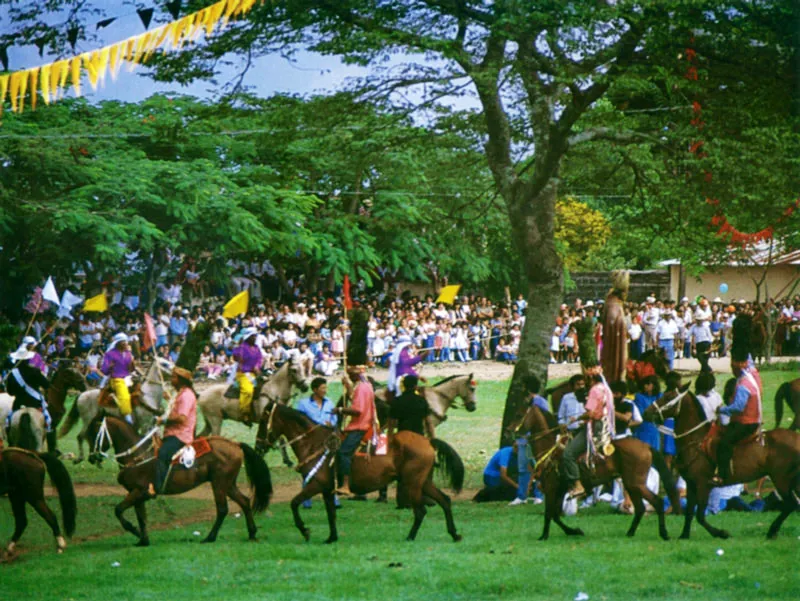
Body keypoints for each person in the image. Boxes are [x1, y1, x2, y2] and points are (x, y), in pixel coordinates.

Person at [713, 315, 762, 485]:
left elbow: (738, 407)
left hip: (747, 420)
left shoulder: (743, 383)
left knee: (724, 442)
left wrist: (722, 410)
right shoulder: (750, 373)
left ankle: (724, 475)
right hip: (752, 411)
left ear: (738, 362)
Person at [335, 308, 375, 497]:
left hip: (359, 425)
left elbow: (357, 409)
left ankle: (345, 485)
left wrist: (341, 410)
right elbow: (356, 397)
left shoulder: (361, 387)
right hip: (365, 422)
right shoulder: (365, 385)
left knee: (342, 453)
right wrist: (348, 385)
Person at [561, 365, 614, 499]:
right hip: (606, 426)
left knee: (568, 454)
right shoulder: (606, 389)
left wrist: (577, 418)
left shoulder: (594, 391)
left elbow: (590, 413)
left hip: (594, 427)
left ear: (591, 378)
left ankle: (578, 484)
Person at [148, 366, 197, 497]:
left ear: (181, 380)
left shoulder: (186, 395)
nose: (171, 379)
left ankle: (159, 488)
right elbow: (175, 407)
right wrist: (169, 399)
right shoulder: (180, 393)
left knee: (163, 454)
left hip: (180, 435)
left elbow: (181, 418)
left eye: (174, 377)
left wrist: (162, 420)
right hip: (172, 433)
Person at [296, 377, 339, 508]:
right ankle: (306, 498)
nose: (325, 391)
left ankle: (334, 497)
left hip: (327, 440)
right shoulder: (303, 404)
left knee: (329, 468)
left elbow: (335, 420)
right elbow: (299, 422)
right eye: (322, 388)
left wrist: (331, 424)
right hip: (310, 442)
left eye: (325, 388)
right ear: (315, 390)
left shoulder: (330, 403)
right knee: (308, 467)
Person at [4, 342, 52, 444]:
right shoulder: (35, 371)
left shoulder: (12, 374)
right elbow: (47, 385)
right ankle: (51, 447)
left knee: (8, 422)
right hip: (35, 404)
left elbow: (10, 392)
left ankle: (10, 443)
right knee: (49, 421)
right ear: (27, 359)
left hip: (18, 404)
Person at [100, 333, 136, 425]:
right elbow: (104, 370)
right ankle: (127, 416)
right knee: (124, 396)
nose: (125, 343)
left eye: (126, 341)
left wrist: (132, 362)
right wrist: (110, 366)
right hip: (116, 379)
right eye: (123, 342)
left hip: (128, 378)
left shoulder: (128, 353)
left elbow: (131, 369)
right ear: (117, 343)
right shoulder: (110, 354)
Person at [386, 375, 433, 441]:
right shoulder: (421, 401)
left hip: (402, 437)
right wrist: (433, 439)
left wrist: (389, 440)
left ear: (404, 386)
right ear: (415, 387)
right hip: (418, 436)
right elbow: (429, 423)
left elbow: (391, 424)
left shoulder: (397, 401)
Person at [232, 327, 262, 424]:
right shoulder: (242, 347)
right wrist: (237, 354)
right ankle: (244, 413)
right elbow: (235, 356)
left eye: (255, 336)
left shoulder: (257, 348)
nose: (254, 338)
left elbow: (259, 358)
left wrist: (257, 366)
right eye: (252, 336)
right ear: (248, 337)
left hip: (254, 373)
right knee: (248, 390)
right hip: (243, 373)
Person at [386, 333, 424, 398]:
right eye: (408, 344)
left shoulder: (404, 352)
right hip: (401, 379)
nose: (410, 345)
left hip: (406, 377)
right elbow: (407, 365)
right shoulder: (399, 353)